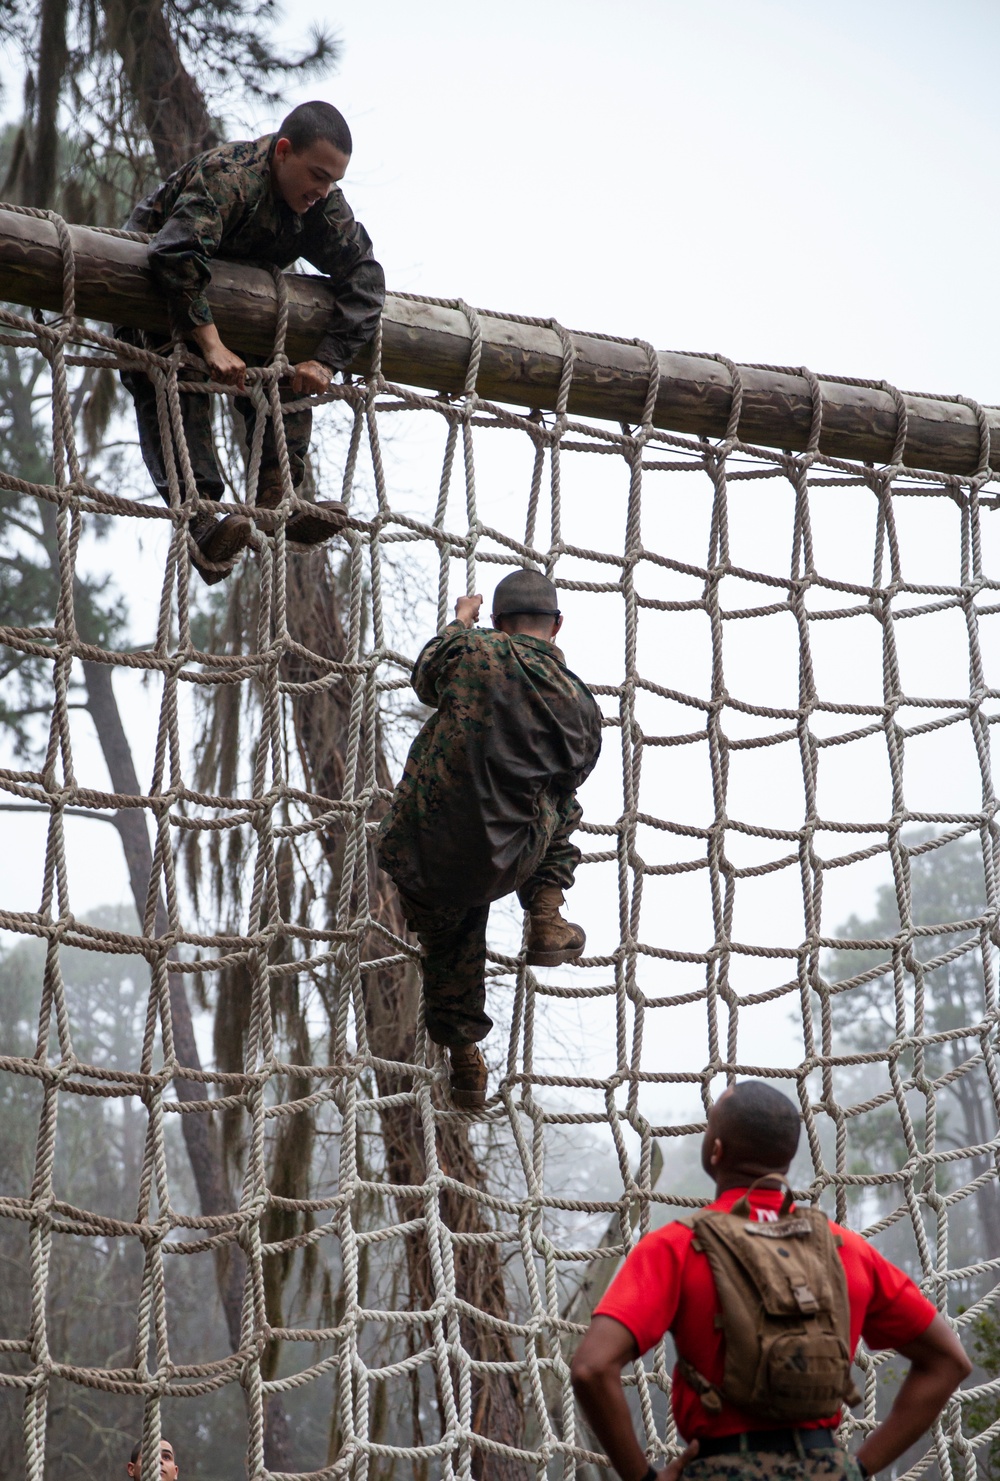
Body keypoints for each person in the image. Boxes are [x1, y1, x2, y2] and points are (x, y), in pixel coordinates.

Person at [571, 1081, 971, 1481]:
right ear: (787, 1156)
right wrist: (859, 1468)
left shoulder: (677, 1246)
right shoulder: (847, 1250)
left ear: (716, 1150)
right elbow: (949, 1361)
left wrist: (643, 1479)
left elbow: (591, 1367)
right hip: (825, 1466)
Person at [117, 100, 385, 584]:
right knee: (176, 385)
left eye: (333, 181)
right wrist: (211, 342)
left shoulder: (322, 204)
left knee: (290, 375)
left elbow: (365, 280)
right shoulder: (233, 176)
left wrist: (326, 361)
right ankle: (201, 522)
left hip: (244, 303)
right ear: (283, 152)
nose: (323, 191)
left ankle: (277, 500)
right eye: (317, 175)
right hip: (154, 291)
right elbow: (174, 251)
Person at [377, 569, 602, 1109]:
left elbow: (427, 675)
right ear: (558, 625)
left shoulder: (473, 651)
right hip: (509, 859)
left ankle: (465, 1060)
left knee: (448, 945)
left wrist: (460, 620)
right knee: (562, 803)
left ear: (498, 623)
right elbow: (575, 772)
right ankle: (545, 917)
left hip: (423, 849)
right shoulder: (581, 705)